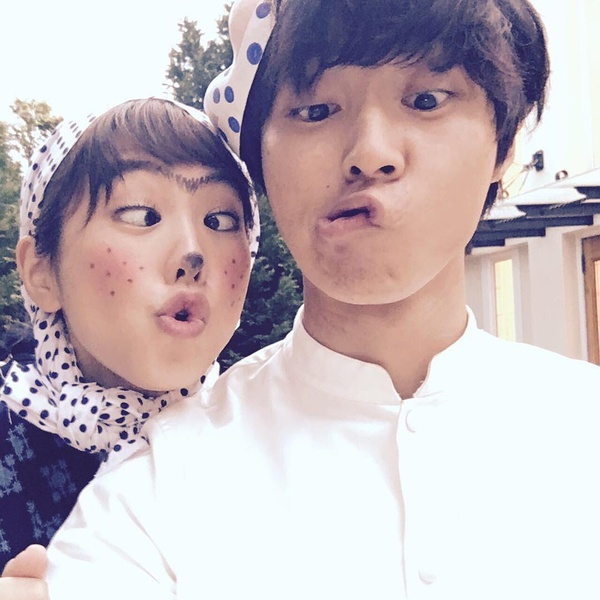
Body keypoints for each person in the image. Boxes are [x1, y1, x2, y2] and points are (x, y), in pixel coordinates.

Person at [6, 0, 600, 598]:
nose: (371, 153)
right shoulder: (149, 498)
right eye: (315, 110)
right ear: (259, 160)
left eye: (427, 100)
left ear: (504, 143)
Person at [0, 96, 259, 597]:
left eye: (221, 221)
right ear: (41, 271)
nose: (191, 254)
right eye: (142, 215)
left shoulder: (276, 435)